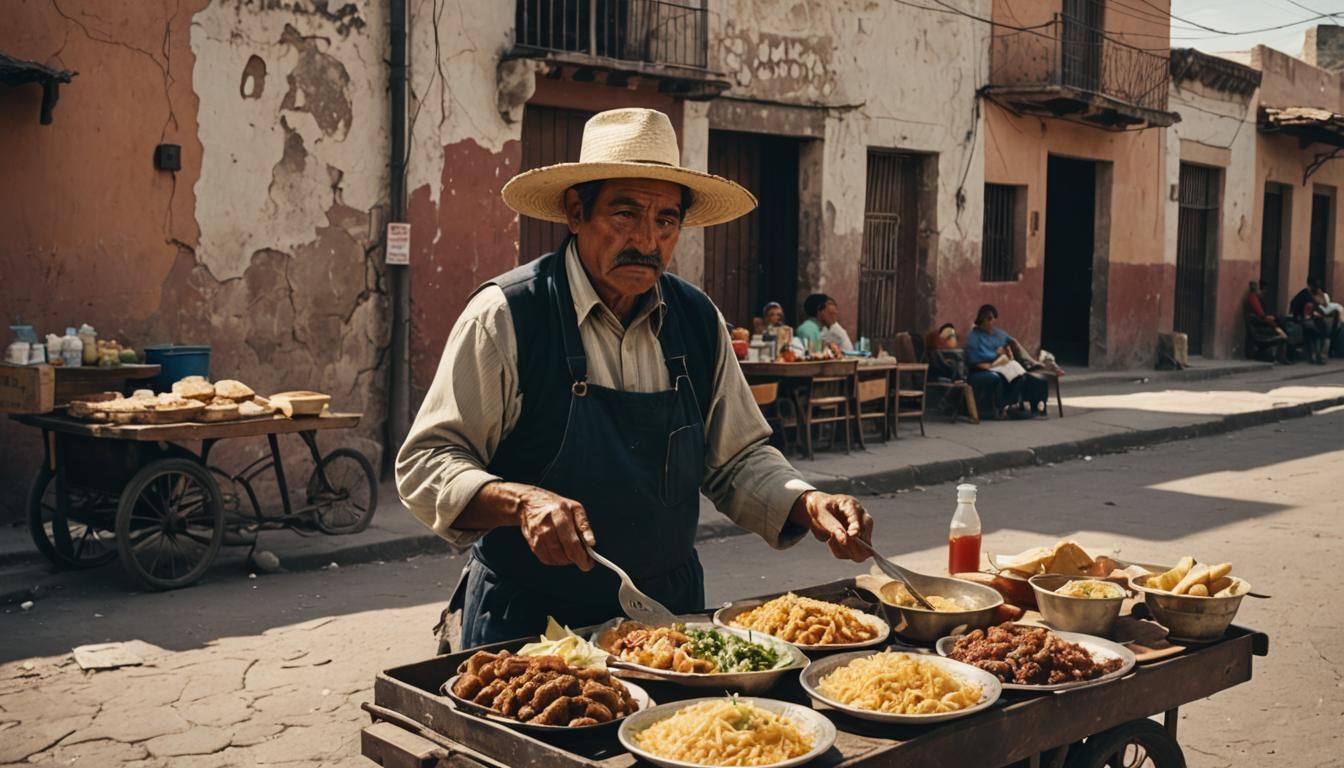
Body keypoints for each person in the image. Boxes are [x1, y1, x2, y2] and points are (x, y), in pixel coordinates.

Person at [396, 108, 875, 651]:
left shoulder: (697, 320)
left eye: (666, 220)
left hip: (665, 621)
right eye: (625, 214)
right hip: (526, 626)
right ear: (576, 212)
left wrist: (807, 501)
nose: (647, 240)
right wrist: (518, 501)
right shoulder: (507, 316)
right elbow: (428, 461)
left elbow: (737, 458)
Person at [964, 305, 1048, 418]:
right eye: (987, 318)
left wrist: (1008, 353)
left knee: (1020, 374)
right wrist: (996, 354)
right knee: (1000, 376)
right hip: (983, 366)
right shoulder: (974, 336)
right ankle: (1002, 407)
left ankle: (1010, 404)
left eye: (992, 318)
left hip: (1000, 364)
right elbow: (974, 358)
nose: (990, 321)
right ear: (981, 319)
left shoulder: (999, 334)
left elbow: (1013, 343)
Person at [1246, 281, 1296, 363]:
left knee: (1280, 322)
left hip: (1261, 324)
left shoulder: (1257, 298)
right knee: (1280, 326)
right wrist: (1273, 324)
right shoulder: (1253, 298)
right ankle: (1283, 355)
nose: (1264, 292)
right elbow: (1260, 314)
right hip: (1260, 327)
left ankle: (1283, 353)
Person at [1291, 278, 1331, 364]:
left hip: (1310, 318)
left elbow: (1324, 304)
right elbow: (1305, 312)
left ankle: (1320, 354)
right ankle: (1316, 355)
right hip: (1302, 319)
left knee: (1323, 326)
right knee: (1314, 331)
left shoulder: (1310, 294)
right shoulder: (1306, 295)